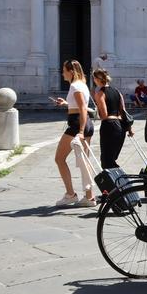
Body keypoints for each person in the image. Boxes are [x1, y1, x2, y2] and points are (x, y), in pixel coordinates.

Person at [52, 60, 97, 207]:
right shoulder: (82, 85)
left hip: (77, 125)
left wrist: (81, 131)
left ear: (71, 71)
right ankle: (89, 197)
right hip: (85, 123)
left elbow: (83, 108)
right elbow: (79, 105)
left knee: (59, 158)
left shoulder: (75, 86)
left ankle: (70, 194)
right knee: (85, 161)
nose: (62, 73)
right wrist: (66, 103)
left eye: (64, 70)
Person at [93, 68, 131, 169]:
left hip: (109, 125)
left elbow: (104, 115)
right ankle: (117, 181)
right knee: (112, 159)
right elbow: (123, 111)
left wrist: (96, 112)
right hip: (121, 126)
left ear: (97, 79)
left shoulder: (100, 93)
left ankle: (115, 182)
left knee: (106, 160)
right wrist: (129, 129)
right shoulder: (117, 92)